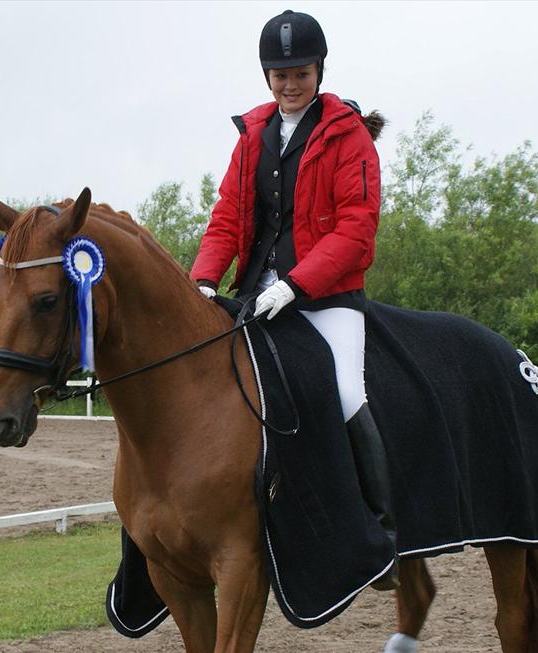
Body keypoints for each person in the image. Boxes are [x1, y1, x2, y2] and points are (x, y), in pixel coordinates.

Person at [191, 9, 398, 589]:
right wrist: (204, 281)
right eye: (279, 74)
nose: (290, 83)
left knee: (346, 391)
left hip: (325, 297)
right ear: (266, 76)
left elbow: (357, 228)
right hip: (257, 294)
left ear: (319, 70)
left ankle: (381, 534)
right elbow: (227, 220)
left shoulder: (348, 134)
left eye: (300, 72)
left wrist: (297, 283)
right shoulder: (253, 135)